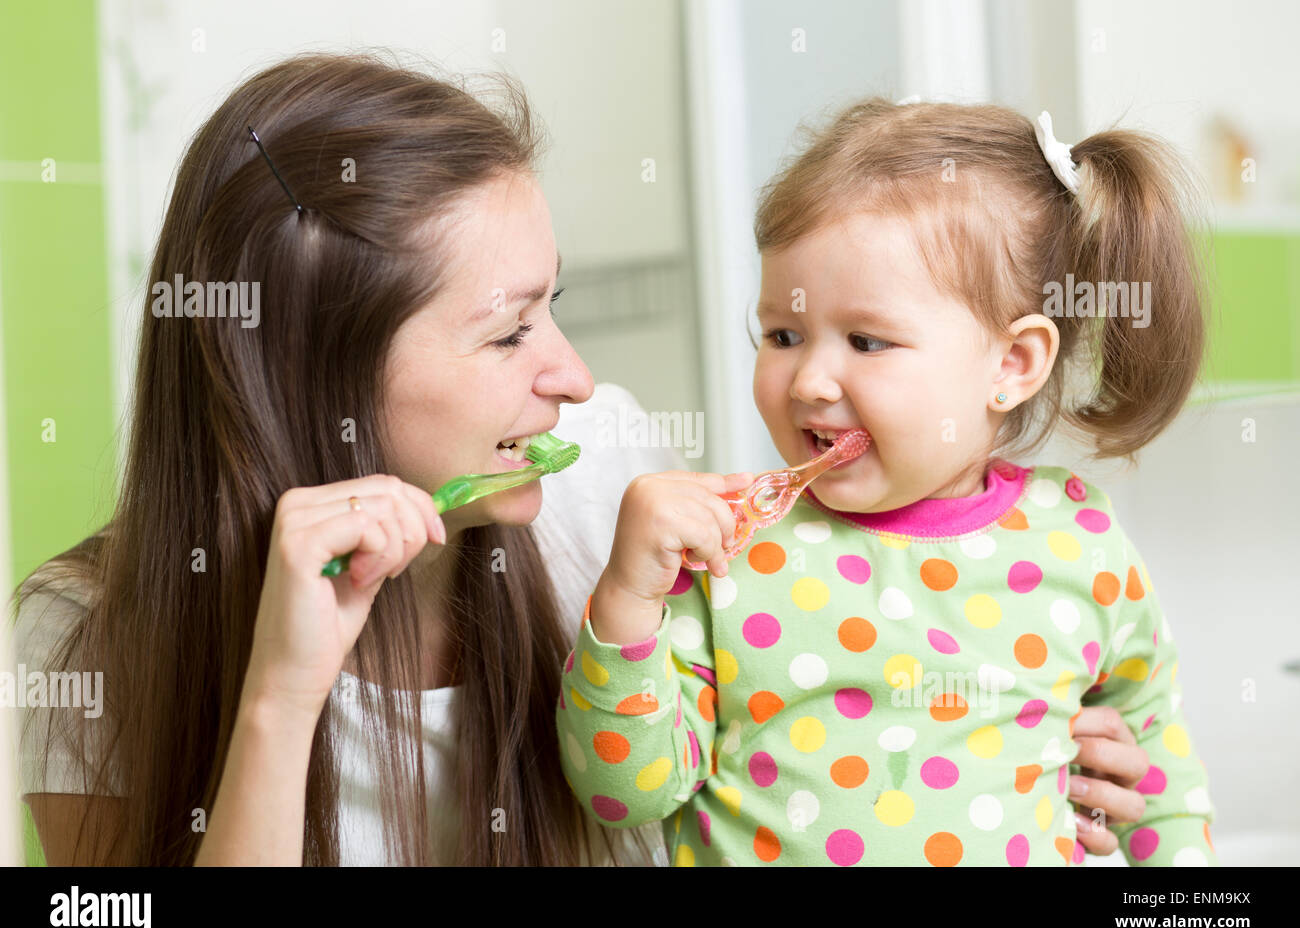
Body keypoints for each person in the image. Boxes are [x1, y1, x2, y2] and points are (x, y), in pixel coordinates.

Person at [10, 56, 1151, 866]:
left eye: (555, 304)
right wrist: (279, 698)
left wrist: (1002, 723)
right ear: (319, 373)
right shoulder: (85, 631)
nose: (569, 372)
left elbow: (797, 705)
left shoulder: (605, 476)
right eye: (508, 331)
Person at [559, 98, 1217, 866]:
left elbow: (1161, 789)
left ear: (1012, 365)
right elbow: (623, 794)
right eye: (782, 334)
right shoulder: (730, 545)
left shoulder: (1086, 547)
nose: (808, 379)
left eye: (866, 340)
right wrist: (627, 600)